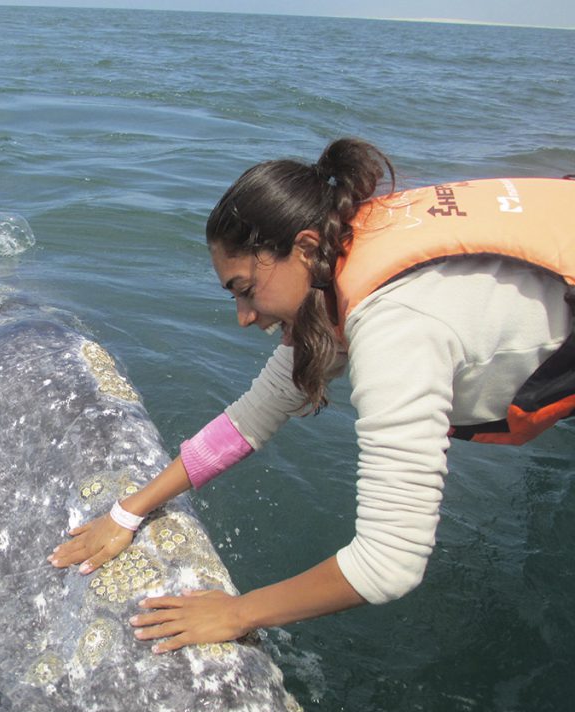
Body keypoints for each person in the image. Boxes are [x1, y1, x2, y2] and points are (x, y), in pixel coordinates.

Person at [48, 138, 575, 654]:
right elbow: (250, 419)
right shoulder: (342, 252)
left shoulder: (395, 327)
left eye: (246, 290)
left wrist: (236, 612)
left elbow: (389, 563)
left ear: (302, 247)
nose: (244, 318)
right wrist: (128, 512)